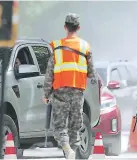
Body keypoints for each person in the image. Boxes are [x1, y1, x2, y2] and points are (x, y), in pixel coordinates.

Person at [43, 13, 97, 159]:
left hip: (60, 91)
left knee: (60, 127)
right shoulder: (85, 46)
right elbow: (92, 73)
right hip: (77, 92)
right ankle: (70, 153)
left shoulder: (56, 46)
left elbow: (49, 73)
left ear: (65, 27)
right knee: (75, 127)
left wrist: (46, 93)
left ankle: (67, 150)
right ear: (78, 27)